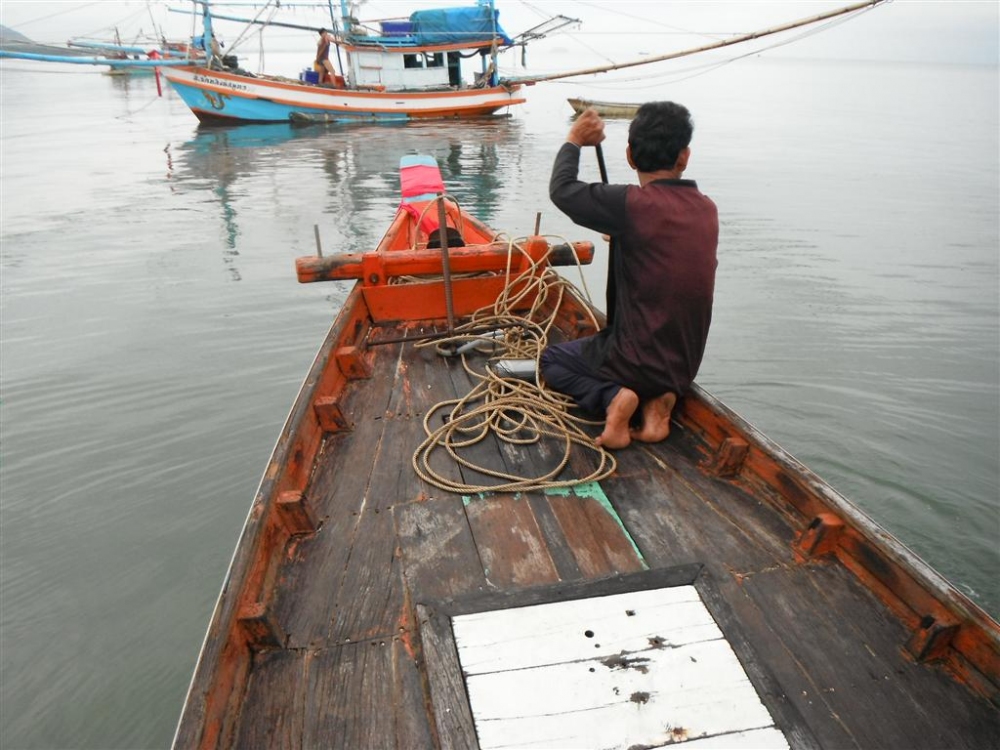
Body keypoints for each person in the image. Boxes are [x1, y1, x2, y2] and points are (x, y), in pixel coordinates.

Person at [540, 103, 719, 450]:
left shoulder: (630, 206)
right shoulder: (706, 209)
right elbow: (665, 247)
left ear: (630, 156)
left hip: (632, 364)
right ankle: (659, 405)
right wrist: (623, 236)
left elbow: (562, 189)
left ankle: (613, 398)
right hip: (683, 368)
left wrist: (575, 139)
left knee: (553, 361)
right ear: (684, 156)